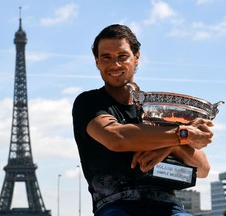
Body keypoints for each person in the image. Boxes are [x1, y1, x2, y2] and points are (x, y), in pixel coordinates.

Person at [72, 24, 213, 216]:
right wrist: (183, 134)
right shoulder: (89, 103)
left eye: (122, 56)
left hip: (169, 207)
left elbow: (203, 169)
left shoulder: (157, 110)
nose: (115, 64)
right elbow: (117, 137)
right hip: (117, 206)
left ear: (136, 57)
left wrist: (170, 145)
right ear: (97, 61)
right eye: (106, 57)